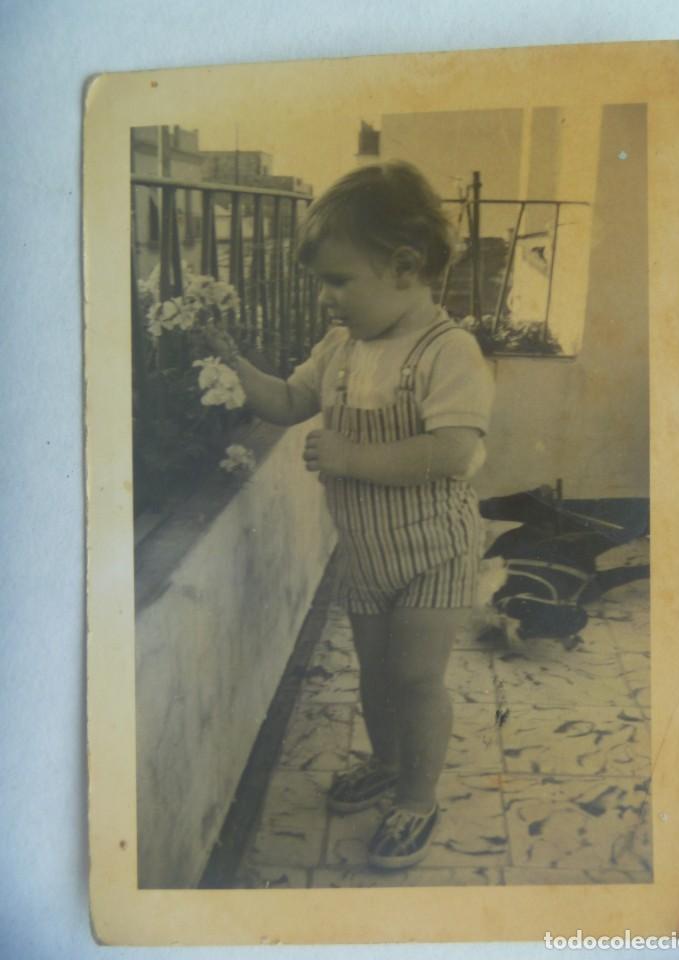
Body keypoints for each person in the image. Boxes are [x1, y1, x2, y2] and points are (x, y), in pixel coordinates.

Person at [213, 161, 494, 870]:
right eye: (321, 281)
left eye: (340, 281)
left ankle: (417, 796)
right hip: (367, 555)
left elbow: (455, 452)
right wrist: (232, 365)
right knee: (374, 673)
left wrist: (351, 458)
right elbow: (285, 401)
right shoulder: (341, 349)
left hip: (435, 551)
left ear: (404, 267)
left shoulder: (447, 352)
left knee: (416, 678)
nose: (325, 297)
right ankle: (385, 761)